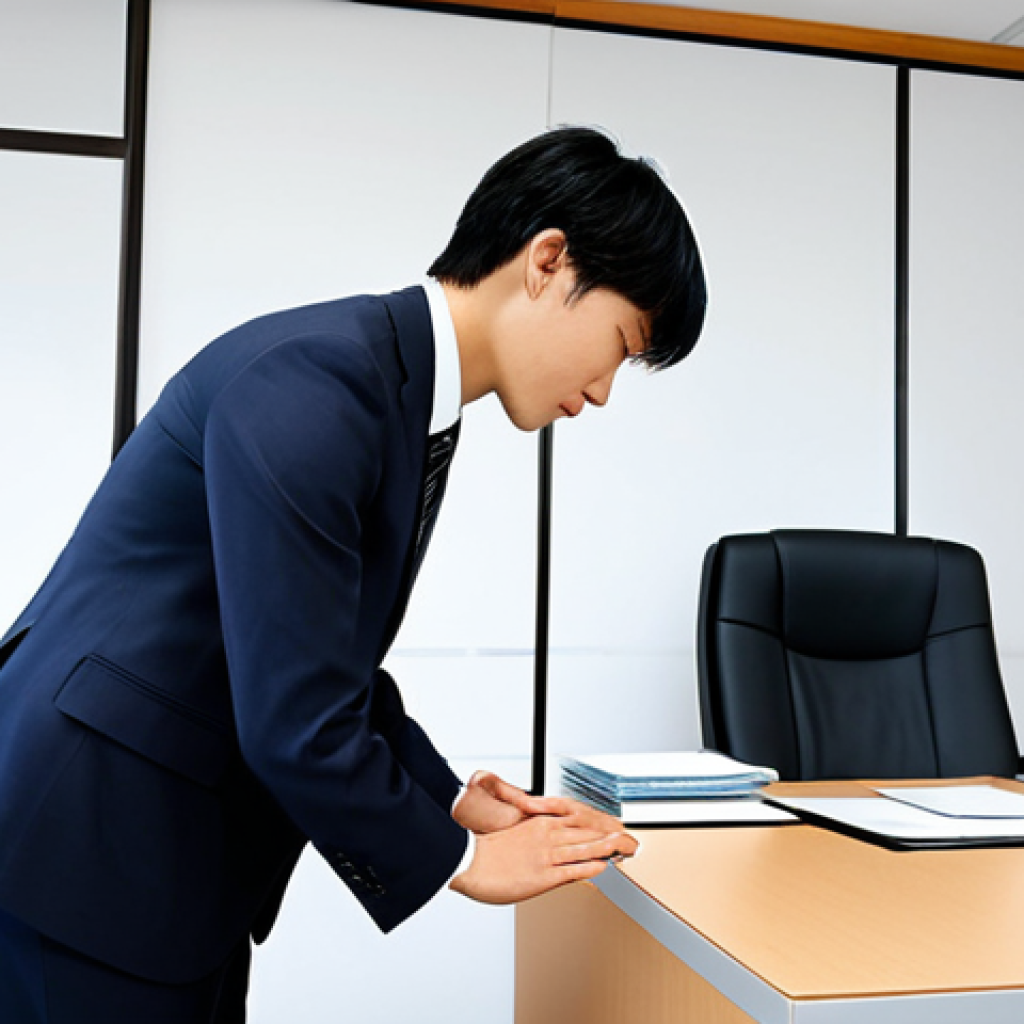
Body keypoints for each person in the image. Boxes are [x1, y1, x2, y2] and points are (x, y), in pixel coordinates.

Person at [0, 126, 706, 1021]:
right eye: (619, 341)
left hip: (163, 863)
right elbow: (296, 712)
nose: (604, 390)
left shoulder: (399, 391)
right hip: (84, 846)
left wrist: (450, 799)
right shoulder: (319, 383)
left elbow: (316, 652)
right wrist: (460, 862)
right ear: (548, 263)